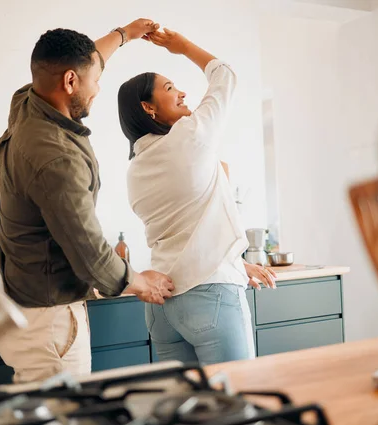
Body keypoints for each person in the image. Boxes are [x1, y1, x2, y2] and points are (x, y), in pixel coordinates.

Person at [0, 20, 174, 384]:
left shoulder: (26, 103)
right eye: (94, 80)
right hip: (51, 323)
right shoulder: (55, 157)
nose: (98, 88)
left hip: (22, 310)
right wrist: (140, 282)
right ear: (71, 82)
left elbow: (82, 61)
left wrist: (124, 34)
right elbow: (89, 251)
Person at [117, 29, 277, 365]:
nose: (182, 92)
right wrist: (182, 46)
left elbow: (187, 226)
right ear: (148, 107)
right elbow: (225, 75)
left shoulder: (135, 168)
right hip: (212, 298)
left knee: (187, 407)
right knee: (237, 401)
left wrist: (236, 262)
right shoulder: (189, 137)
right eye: (170, 88)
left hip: (162, 306)